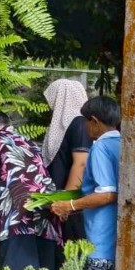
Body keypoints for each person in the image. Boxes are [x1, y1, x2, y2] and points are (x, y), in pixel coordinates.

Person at [51, 96, 122, 270]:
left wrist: (70, 205)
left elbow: (107, 193)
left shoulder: (100, 146)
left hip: (100, 236)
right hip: (116, 234)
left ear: (94, 121)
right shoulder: (122, 142)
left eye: (85, 122)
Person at [0, 111, 61, 270]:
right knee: (32, 269)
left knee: (15, 265)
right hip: (44, 205)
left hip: (15, 208)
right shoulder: (27, 140)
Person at [42, 78, 92, 242]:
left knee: (72, 247)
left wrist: (67, 202)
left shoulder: (79, 123)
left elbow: (81, 163)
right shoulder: (62, 125)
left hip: (71, 202)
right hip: (58, 199)